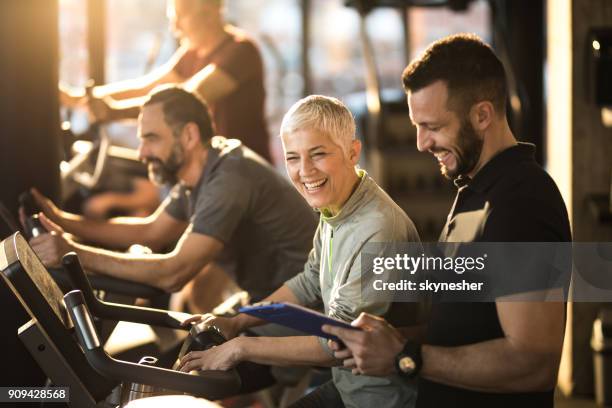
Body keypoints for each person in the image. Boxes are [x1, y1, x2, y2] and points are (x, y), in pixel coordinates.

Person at [322, 33, 571, 408]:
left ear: (482, 115)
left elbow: (534, 362)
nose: (421, 143)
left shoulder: (523, 201)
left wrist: (406, 356)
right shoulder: (474, 191)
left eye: (433, 127)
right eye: (417, 126)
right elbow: (463, 327)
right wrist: (384, 339)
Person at [176, 95, 421, 408]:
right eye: (293, 158)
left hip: (380, 400)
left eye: (318, 154)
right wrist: (239, 321)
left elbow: (338, 342)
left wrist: (242, 348)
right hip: (349, 387)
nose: (305, 171)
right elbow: (309, 279)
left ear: (352, 152)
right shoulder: (338, 205)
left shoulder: (378, 229)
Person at [28, 86, 317, 309]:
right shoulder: (201, 171)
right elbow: (152, 231)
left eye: (151, 138)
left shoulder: (229, 177)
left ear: (189, 136)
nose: (142, 153)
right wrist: (61, 220)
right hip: (268, 301)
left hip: (304, 314)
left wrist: (72, 254)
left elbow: (174, 273)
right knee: (192, 344)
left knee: (196, 361)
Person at [61, 0, 270, 162]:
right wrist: (77, 98)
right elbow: (147, 86)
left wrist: (114, 111)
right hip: (218, 165)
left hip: (245, 168)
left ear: (209, 12)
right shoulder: (191, 52)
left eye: (181, 17)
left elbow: (186, 99)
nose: (175, 27)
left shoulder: (241, 51)